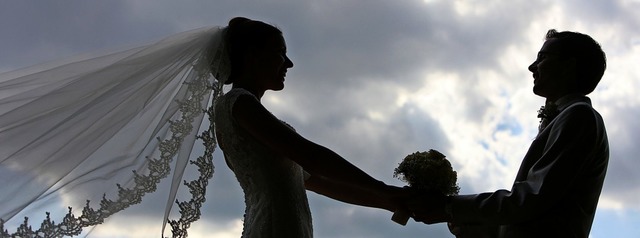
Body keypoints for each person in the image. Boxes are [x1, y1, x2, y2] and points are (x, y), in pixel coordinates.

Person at [406, 29, 609, 238]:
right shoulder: (569, 118)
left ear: (569, 66)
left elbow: (531, 200)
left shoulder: (579, 116)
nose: (532, 67)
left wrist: (448, 207)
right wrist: (470, 225)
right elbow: (535, 217)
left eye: (542, 57)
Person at [213, 17, 405, 238]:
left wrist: (389, 201)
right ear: (252, 55)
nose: (289, 63)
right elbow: (310, 156)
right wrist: (384, 188)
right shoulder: (239, 102)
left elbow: (319, 182)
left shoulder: (239, 107)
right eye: (280, 53)